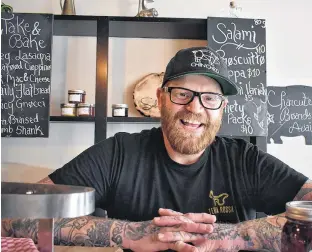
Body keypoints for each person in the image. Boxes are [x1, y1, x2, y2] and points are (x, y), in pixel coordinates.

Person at [2, 46, 311, 252]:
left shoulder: (245, 160)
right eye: (182, 94)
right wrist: (133, 233)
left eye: (210, 98)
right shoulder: (119, 153)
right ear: (161, 98)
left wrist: (227, 237)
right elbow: (14, 218)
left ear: (222, 108)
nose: (195, 108)